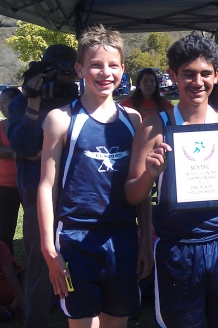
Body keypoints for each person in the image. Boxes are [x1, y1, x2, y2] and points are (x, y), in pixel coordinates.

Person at [125, 34, 218, 327]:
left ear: (216, 75)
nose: (197, 81)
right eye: (188, 74)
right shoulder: (154, 128)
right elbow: (132, 196)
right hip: (177, 247)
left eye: (205, 73)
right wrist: (150, 174)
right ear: (173, 75)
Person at [37, 25, 153, 328]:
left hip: (123, 238)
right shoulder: (60, 120)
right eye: (95, 65)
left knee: (117, 321)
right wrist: (49, 247)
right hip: (76, 240)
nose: (105, 73)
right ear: (80, 69)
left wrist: (144, 242)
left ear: (123, 69)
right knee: (84, 323)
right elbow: (46, 185)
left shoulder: (133, 120)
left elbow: (140, 187)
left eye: (113, 65)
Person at [7, 44, 79, 328]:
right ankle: (35, 321)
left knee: (75, 255)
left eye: (68, 71)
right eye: (57, 70)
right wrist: (34, 103)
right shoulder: (22, 102)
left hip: (74, 191)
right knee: (40, 259)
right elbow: (23, 145)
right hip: (37, 192)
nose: (64, 78)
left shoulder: (79, 100)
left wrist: (44, 151)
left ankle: (76, 312)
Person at [0, 87, 22, 255]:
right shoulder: (0, 126)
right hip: (5, 187)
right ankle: (9, 268)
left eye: (4, 103)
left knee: (34, 228)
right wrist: (20, 151)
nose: (1, 107)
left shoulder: (30, 124)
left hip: (28, 185)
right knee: (5, 230)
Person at [0, 240, 25, 323]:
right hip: (9, 292)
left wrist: (23, 305)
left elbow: (11, 277)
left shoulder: (1, 247)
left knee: (29, 275)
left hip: (14, 290)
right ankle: (12, 309)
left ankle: (11, 309)